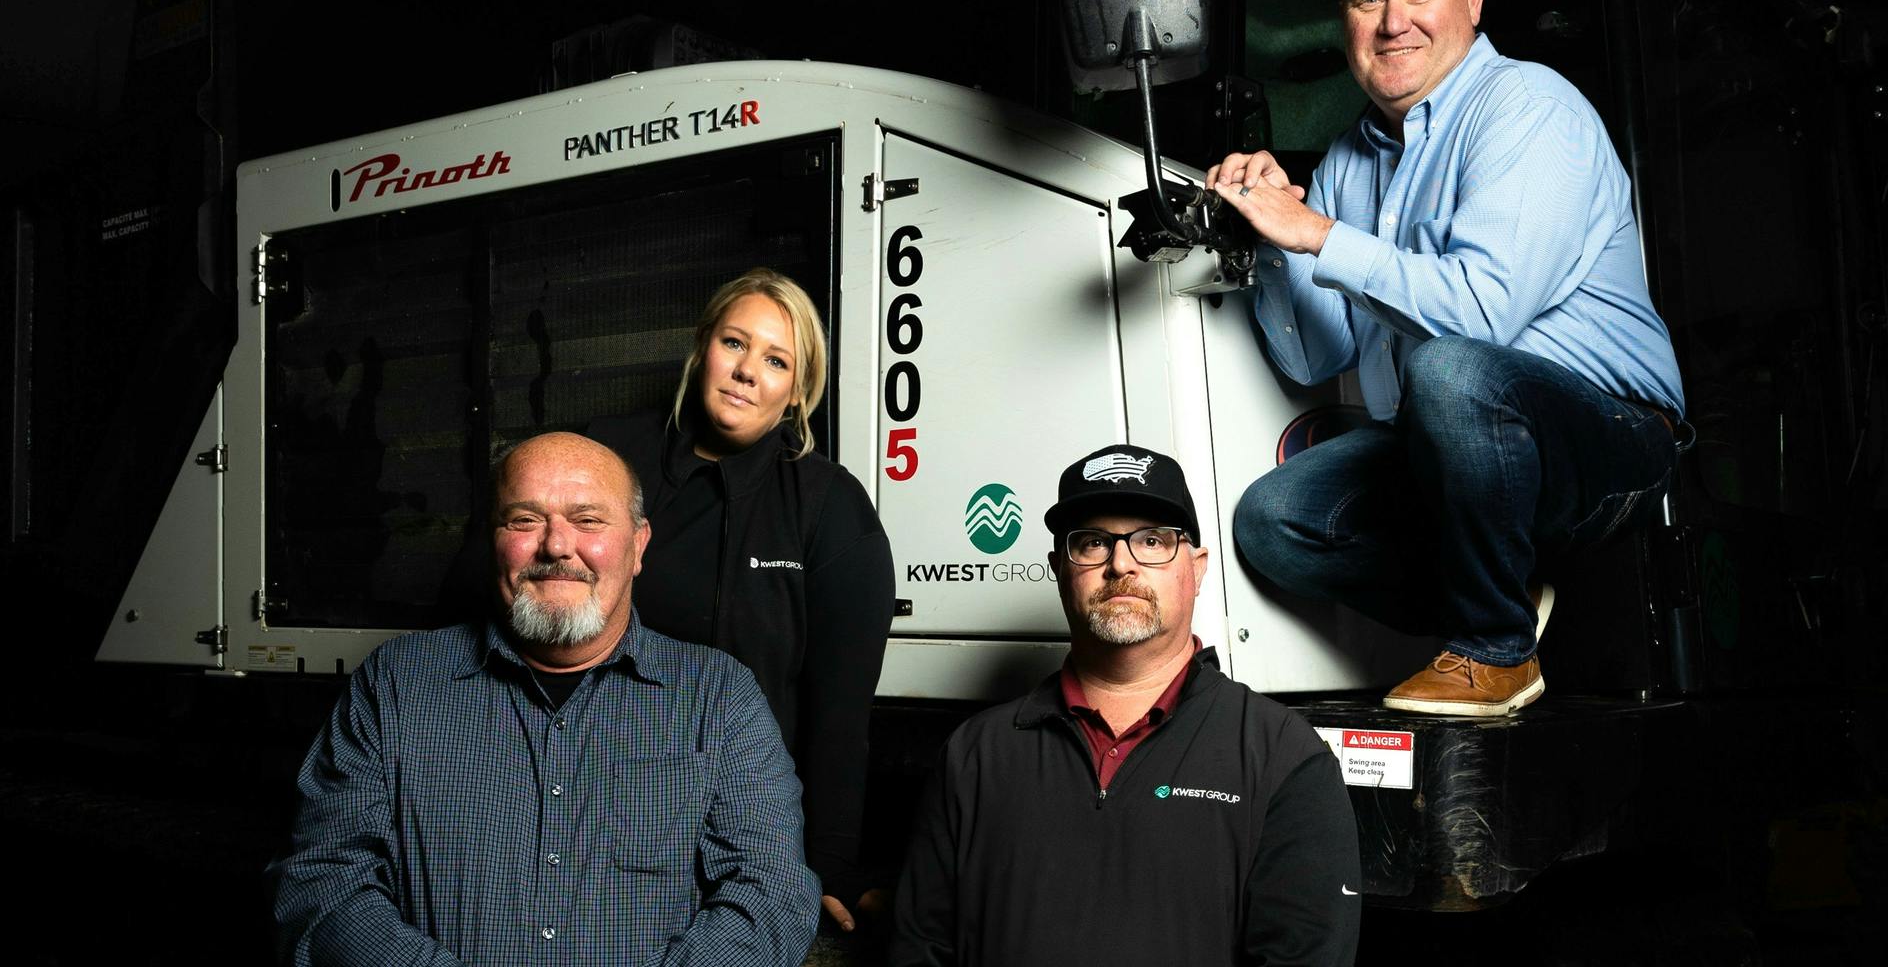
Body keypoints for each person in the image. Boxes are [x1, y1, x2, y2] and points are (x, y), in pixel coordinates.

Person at [1207, 0, 1686, 716]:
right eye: (1369, 1)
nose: (1394, 22)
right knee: (1275, 519)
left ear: (1472, 0)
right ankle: (1496, 593)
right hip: (1451, 453)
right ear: (1347, 20)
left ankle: (1496, 652)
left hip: (1609, 438)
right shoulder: (1347, 162)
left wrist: (1318, 233)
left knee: (1452, 369)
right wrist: (1274, 237)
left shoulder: (1530, 108)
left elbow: (1481, 315)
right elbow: (1313, 358)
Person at [270, 432, 819, 966]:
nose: (556, 545)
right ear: (492, 541)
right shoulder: (395, 685)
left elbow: (772, 893)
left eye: (588, 519)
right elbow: (323, 879)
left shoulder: (720, 698)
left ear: (638, 545)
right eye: (525, 519)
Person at [891, 444, 1362, 967]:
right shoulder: (976, 754)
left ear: (1197, 568)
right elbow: (920, 948)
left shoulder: (1282, 757)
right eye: (1093, 543)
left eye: (1153, 541)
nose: (1121, 564)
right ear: (1058, 569)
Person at [590, 267, 895, 932]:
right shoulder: (611, 463)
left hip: (745, 830)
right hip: (591, 809)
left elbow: (840, 712)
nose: (747, 370)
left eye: (776, 359)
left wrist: (826, 865)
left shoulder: (829, 507)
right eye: (735, 343)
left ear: (796, 393)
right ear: (702, 351)